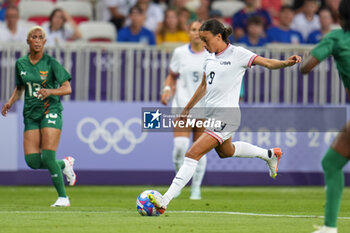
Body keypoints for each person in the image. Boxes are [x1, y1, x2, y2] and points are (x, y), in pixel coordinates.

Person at [148, 19, 301, 214]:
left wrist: (286, 63)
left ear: (218, 36)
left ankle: (165, 199)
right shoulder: (209, 57)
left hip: (226, 116)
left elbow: (268, 63)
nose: (203, 44)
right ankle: (270, 155)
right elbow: (203, 86)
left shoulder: (238, 54)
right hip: (211, 116)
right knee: (225, 152)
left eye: (206, 39)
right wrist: (186, 110)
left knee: (192, 154)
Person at [1, 26, 77, 207]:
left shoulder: (51, 63)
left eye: (40, 37)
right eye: (33, 37)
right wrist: (10, 102)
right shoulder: (20, 64)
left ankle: (63, 198)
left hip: (50, 110)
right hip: (30, 114)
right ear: (28, 41)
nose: (36, 40)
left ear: (44, 42)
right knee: (33, 161)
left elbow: (67, 88)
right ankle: (65, 164)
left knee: (48, 156)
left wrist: (50, 91)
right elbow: (20, 87)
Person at [301, 1, 350, 232]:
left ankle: (330, 227)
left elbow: (306, 67)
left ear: (339, 16)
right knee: (331, 162)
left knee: (331, 163)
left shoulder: (336, 37)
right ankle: (329, 227)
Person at [161, 20, 209, 200]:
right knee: (180, 147)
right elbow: (172, 76)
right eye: (193, 29)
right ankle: (179, 183)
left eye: (200, 30)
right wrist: (167, 90)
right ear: (188, 32)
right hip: (182, 107)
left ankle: (196, 188)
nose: (196, 33)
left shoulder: (211, 54)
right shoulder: (180, 53)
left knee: (199, 150)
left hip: (204, 108)